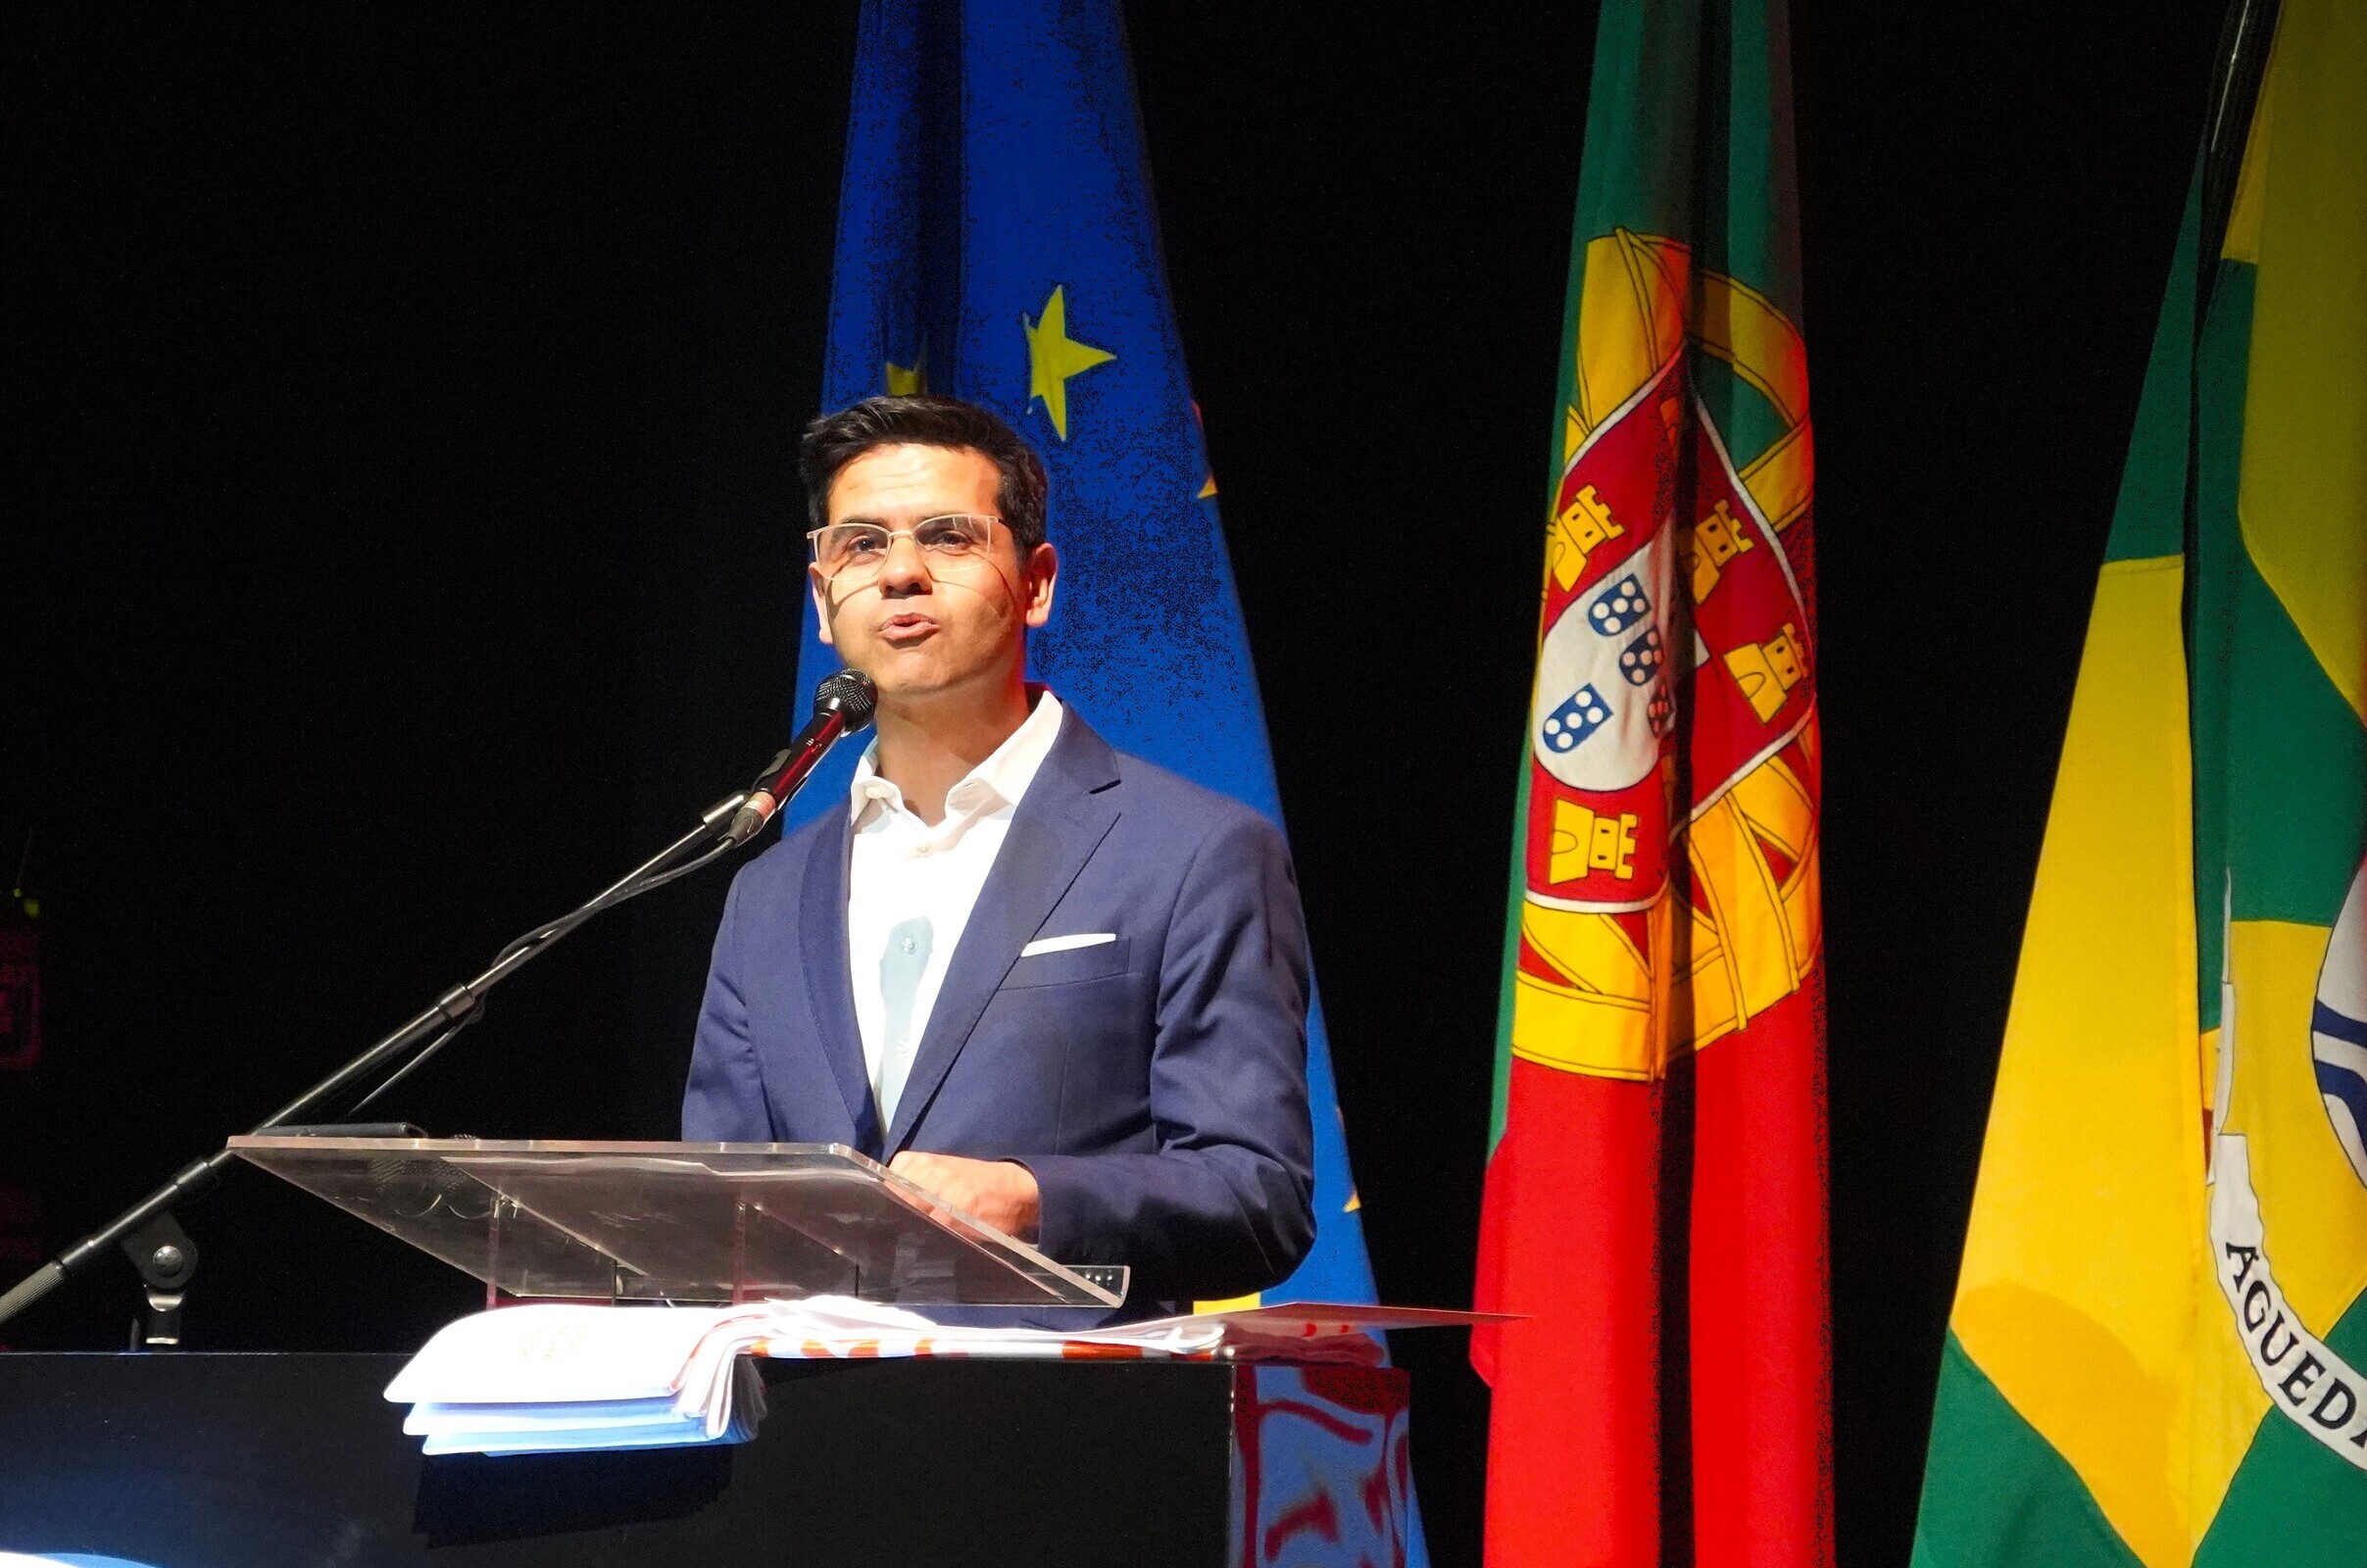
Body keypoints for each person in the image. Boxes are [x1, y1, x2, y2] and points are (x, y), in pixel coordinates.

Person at [681, 393, 1314, 1311]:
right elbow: (718, 1212)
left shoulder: (1194, 852)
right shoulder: (767, 894)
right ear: (823, 599)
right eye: (861, 545)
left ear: (1036, 583)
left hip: (1061, 1394)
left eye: (947, 537)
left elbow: (1258, 1196)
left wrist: (1030, 1198)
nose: (901, 573)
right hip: (807, 1399)